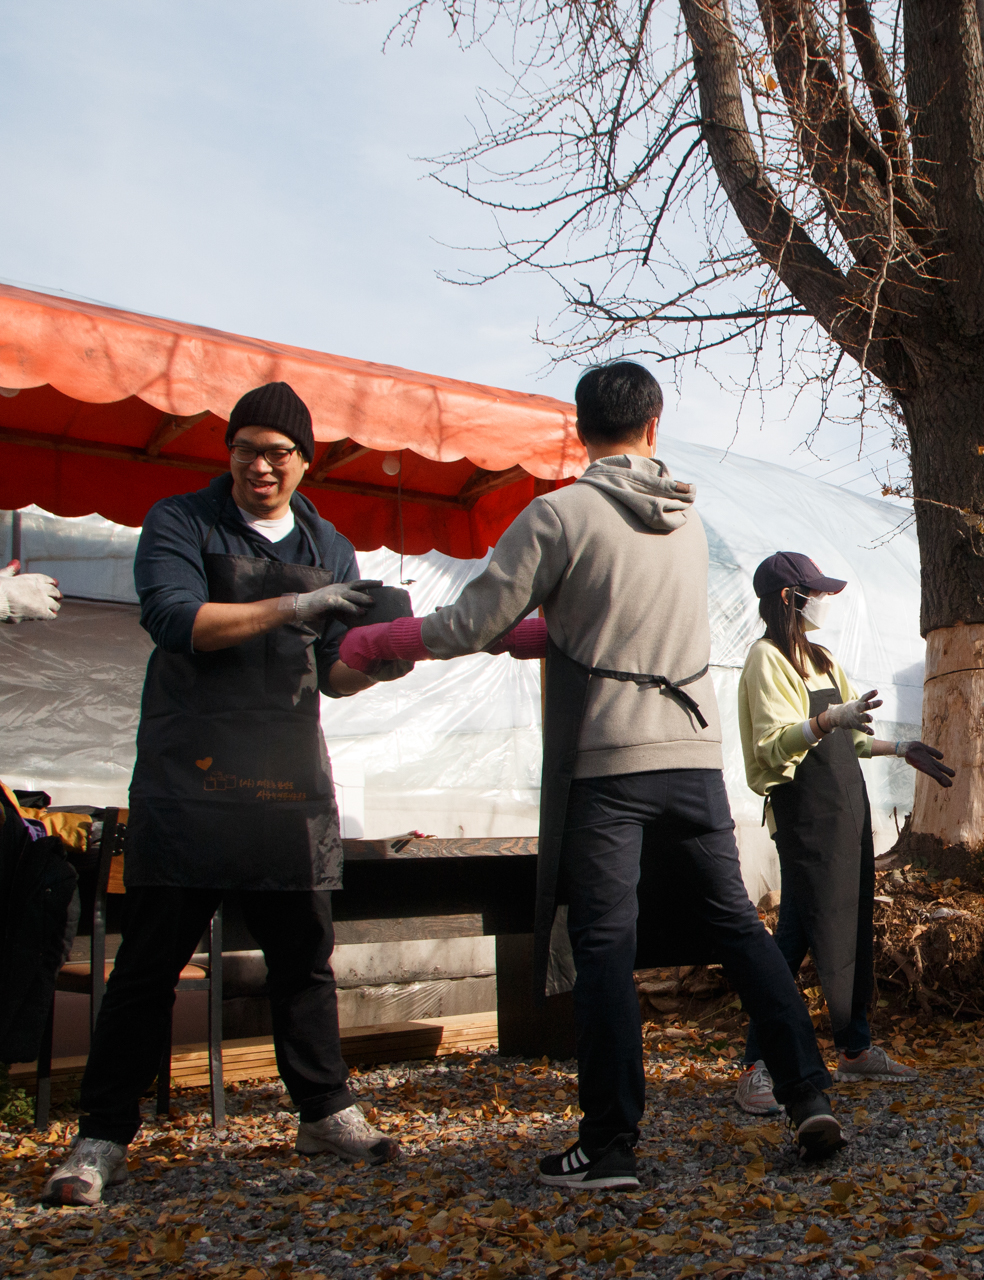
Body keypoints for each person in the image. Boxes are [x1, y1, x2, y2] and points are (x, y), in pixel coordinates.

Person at [338, 361, 848, 1182]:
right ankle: (808, 1095)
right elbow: (614, 626)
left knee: (606, 945)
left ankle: (610, 1144)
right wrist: (533, 632)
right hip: (690, 760)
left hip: (608, 766)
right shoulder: (688, 522)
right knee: (737, 931)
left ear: (581, 432)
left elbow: (473, 620)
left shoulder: (560, 514)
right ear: (654, 428)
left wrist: (379, 644)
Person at [42, 382, 402, 1208]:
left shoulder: (331, 544)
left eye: (279, 453)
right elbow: (175, 620)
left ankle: (323, 1110)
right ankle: (101, 1134)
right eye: (246, 448)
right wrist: (293, 606)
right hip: (190, 769)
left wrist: (378, 662)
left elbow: (335, 676)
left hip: (287, 773)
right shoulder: (180, 521)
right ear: (229, 454)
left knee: (304, 960)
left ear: (305, 463)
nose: (261, 465)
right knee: (148, 965)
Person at [732, 552, 954, 1113]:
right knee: (794, 938)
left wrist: (900, 748)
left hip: (846, 812)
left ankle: (854, 1049)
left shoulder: (824, 659)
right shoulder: (766, 660)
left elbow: (850, 740)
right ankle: (758, 1063)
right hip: (805, 817)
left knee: (851, 927)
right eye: (817, 592)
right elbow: (774, 744)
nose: (826, 601)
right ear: (789, 597)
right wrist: (828, 719)